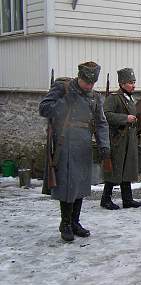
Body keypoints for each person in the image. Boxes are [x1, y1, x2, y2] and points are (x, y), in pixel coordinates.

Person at [39, 61, 110, 242]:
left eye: (92, 83)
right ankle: (65, 223)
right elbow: (44, 109)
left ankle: (75, 221)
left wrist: (104, 146)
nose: (89, 86)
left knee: (80, 184)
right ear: (79, 77)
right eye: (87, 82)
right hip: (65, 142)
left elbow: (101, 122)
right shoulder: (62, 88)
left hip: (84, 143)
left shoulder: (94, 96)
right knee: (68, 185)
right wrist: (65, 102)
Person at [101, 68, 141, 210]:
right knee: (115, 169)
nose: (133, 85)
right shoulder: (114, 98)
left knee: (127, 169)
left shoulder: (130, 98)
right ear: (122, 84)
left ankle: (127, 199)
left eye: (134, 82)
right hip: (118, 140)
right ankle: (105, 199)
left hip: (129, 139)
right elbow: (106, 115)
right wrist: (125, 118)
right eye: (130, 83)